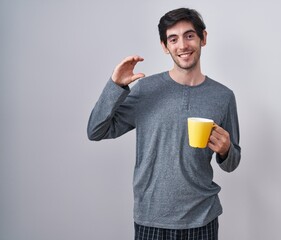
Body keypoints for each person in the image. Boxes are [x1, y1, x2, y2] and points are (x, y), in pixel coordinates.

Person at [87, 7, 241, 240]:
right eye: (173, 39)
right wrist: (115, 86)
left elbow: (232, 163)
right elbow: (96, 130)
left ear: (203, 38)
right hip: (152, 219)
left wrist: (226, 150)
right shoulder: (147, 90)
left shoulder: (223, 96)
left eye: (189, 35)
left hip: (203, 219)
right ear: (164, 46)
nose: (182, 45)